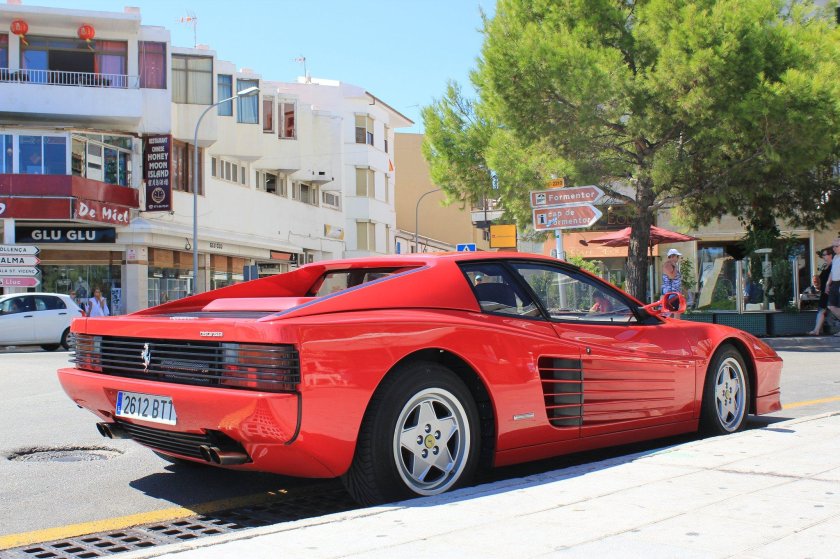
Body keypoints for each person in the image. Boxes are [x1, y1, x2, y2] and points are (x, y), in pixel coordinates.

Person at [808, 248, 833, 335]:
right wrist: (817, 285)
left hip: (831, 291)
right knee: (821, 310)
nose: (823, 256)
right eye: (822, 255)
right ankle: (816, 330)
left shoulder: (834, 265)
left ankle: (817, 330)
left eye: (824, 255)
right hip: (824, 292)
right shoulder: (825, 266)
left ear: (830, 255)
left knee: (834, 310)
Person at [825, 238, 840, 336]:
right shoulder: (835, 258)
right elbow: (832, 272)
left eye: (836, 246)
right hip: (834, 284)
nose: (834, 248)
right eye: (833, 246)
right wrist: (827, 283)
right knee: (830, 306)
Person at [662, 248, 683, 318]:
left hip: (675, 293)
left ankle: (674, 327)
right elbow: (672, 276)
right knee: (675, 313)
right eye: (677, 256)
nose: (678, 258)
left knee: (674, 313)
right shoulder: (668, 265)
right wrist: (676, 267)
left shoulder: (672, 265)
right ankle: (676, 328)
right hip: (671, 294)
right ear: (673, 256)